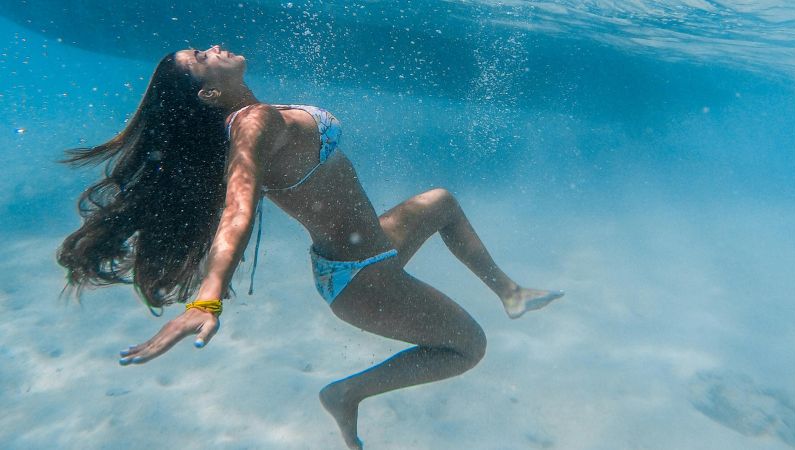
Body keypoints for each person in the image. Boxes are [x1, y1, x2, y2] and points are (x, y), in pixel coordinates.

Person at [57, 45, 564, 450]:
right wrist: (209, 293)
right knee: (468, 348)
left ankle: (511, 294)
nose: (212, 47)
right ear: (208, 93)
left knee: (441, 202)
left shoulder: (254, 113)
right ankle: (346, 393)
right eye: (200, 58)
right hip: (362, 277)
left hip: (369, 250)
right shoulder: (251, 125)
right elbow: (238, 209)